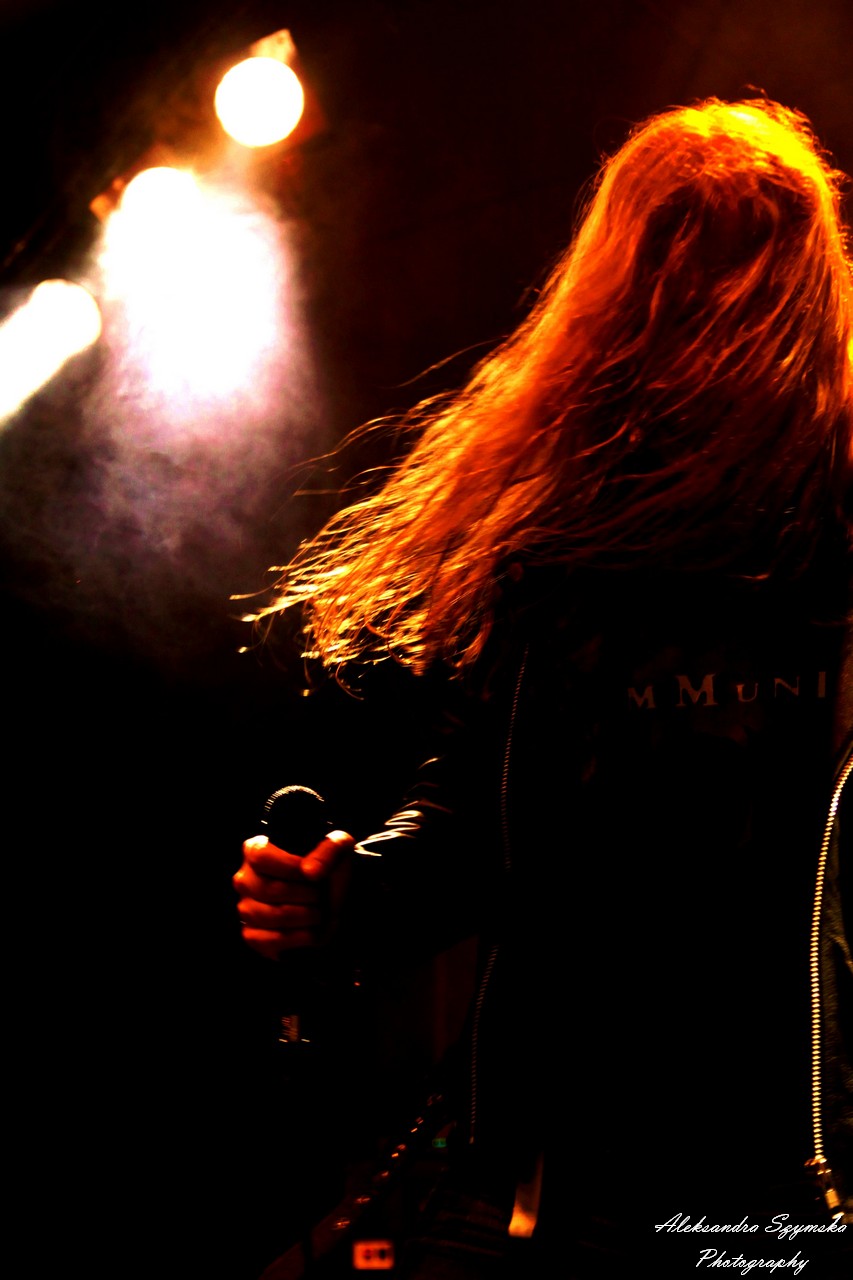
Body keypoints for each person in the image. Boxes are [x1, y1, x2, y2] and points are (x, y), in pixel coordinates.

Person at [233, 97, 853, 1278]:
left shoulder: (841, 548)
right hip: (559, 1179)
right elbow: (471, 815)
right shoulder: (563, 554)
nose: (707, 308)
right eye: (675, 265)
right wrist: (347, 892)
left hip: (795, 1185)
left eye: (733, 266)